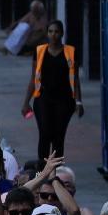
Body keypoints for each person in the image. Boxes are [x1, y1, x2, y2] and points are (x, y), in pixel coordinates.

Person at [22, 20, 81, 162]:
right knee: (45, 133)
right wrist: (26, 102)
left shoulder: (71, 52)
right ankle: (41, 171)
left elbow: (76, 80)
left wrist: (78, 102)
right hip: (43, 98)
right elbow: (33, 78)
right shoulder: (40, 51)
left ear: (62, 34)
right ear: (47, 33)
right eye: (50, 31)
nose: (53, 35)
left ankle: (56, 171)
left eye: (56, 32)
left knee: (58, 136)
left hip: (65, 100)